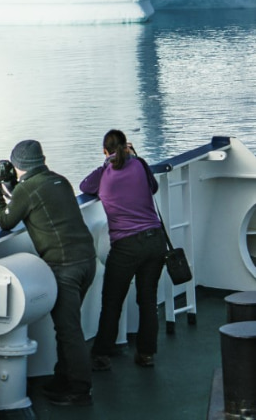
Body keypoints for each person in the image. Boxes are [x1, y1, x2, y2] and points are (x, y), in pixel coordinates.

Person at [0, 139, 97, 407]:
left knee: (69, 331)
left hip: (65, 267)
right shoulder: (59, 180)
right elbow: (33, 201)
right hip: (86, 261)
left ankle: (80, 389)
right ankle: (63, 379)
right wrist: (13, 186)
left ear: (19, 164)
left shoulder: (28, 189)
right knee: (67, 328)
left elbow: (5, 220)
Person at [79, 129, 165, 370]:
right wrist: (133, 156)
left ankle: (101, 355)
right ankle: (146, 354)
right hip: (154, 240)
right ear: (127, 147)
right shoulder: (140, 164)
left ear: (105, 151)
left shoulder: (102, 174)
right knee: (148, 299)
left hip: (126, 246)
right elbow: (153, 188)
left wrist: (107, 163)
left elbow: (84, 186)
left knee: (112, 301)